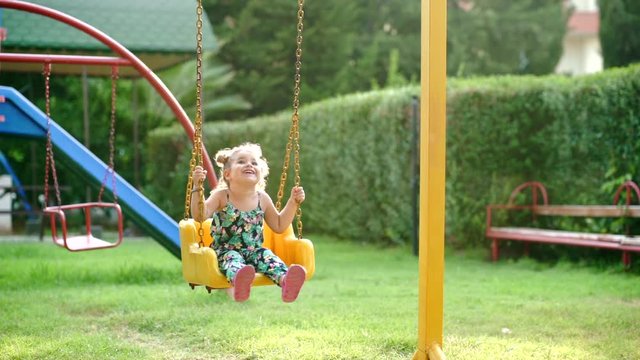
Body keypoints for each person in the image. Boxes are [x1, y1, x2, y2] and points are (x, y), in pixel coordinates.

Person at [190, 143, 306, 303]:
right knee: (233, 261)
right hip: (225, 251)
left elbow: (279, 225)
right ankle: (240, 281)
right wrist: (197, 186)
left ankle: (286, 281)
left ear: (261, 173)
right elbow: (199, 215)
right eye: (242, 161)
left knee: (269, 258)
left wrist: (293, 202)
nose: (249, 164)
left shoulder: (262, 198)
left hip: (255, 251)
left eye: (254, 162)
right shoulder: (222, 196)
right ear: (228, 174)